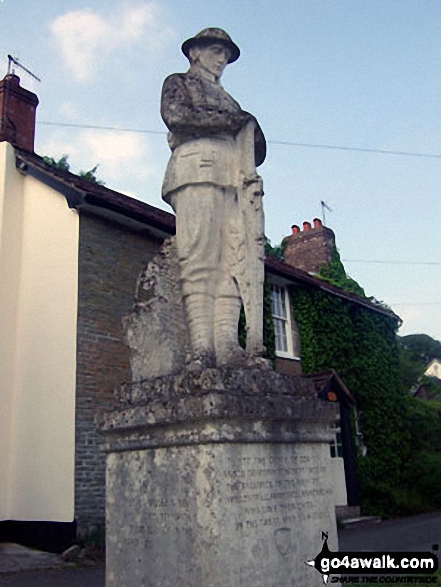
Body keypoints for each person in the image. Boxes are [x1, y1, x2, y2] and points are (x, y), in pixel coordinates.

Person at [161, 28, 266, 367]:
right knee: (199, 258)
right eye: (217, 51)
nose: (222, 60)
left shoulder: (230, 101)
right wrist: (236, 121)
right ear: (195, 53)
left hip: (233, 178)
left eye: (226, 54)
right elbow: (178, 117)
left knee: (234, 261)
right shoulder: (179, 83)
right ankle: (201, 346)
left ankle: (226, 343)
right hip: (196, 170)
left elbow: (258, 146)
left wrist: (244, 123)